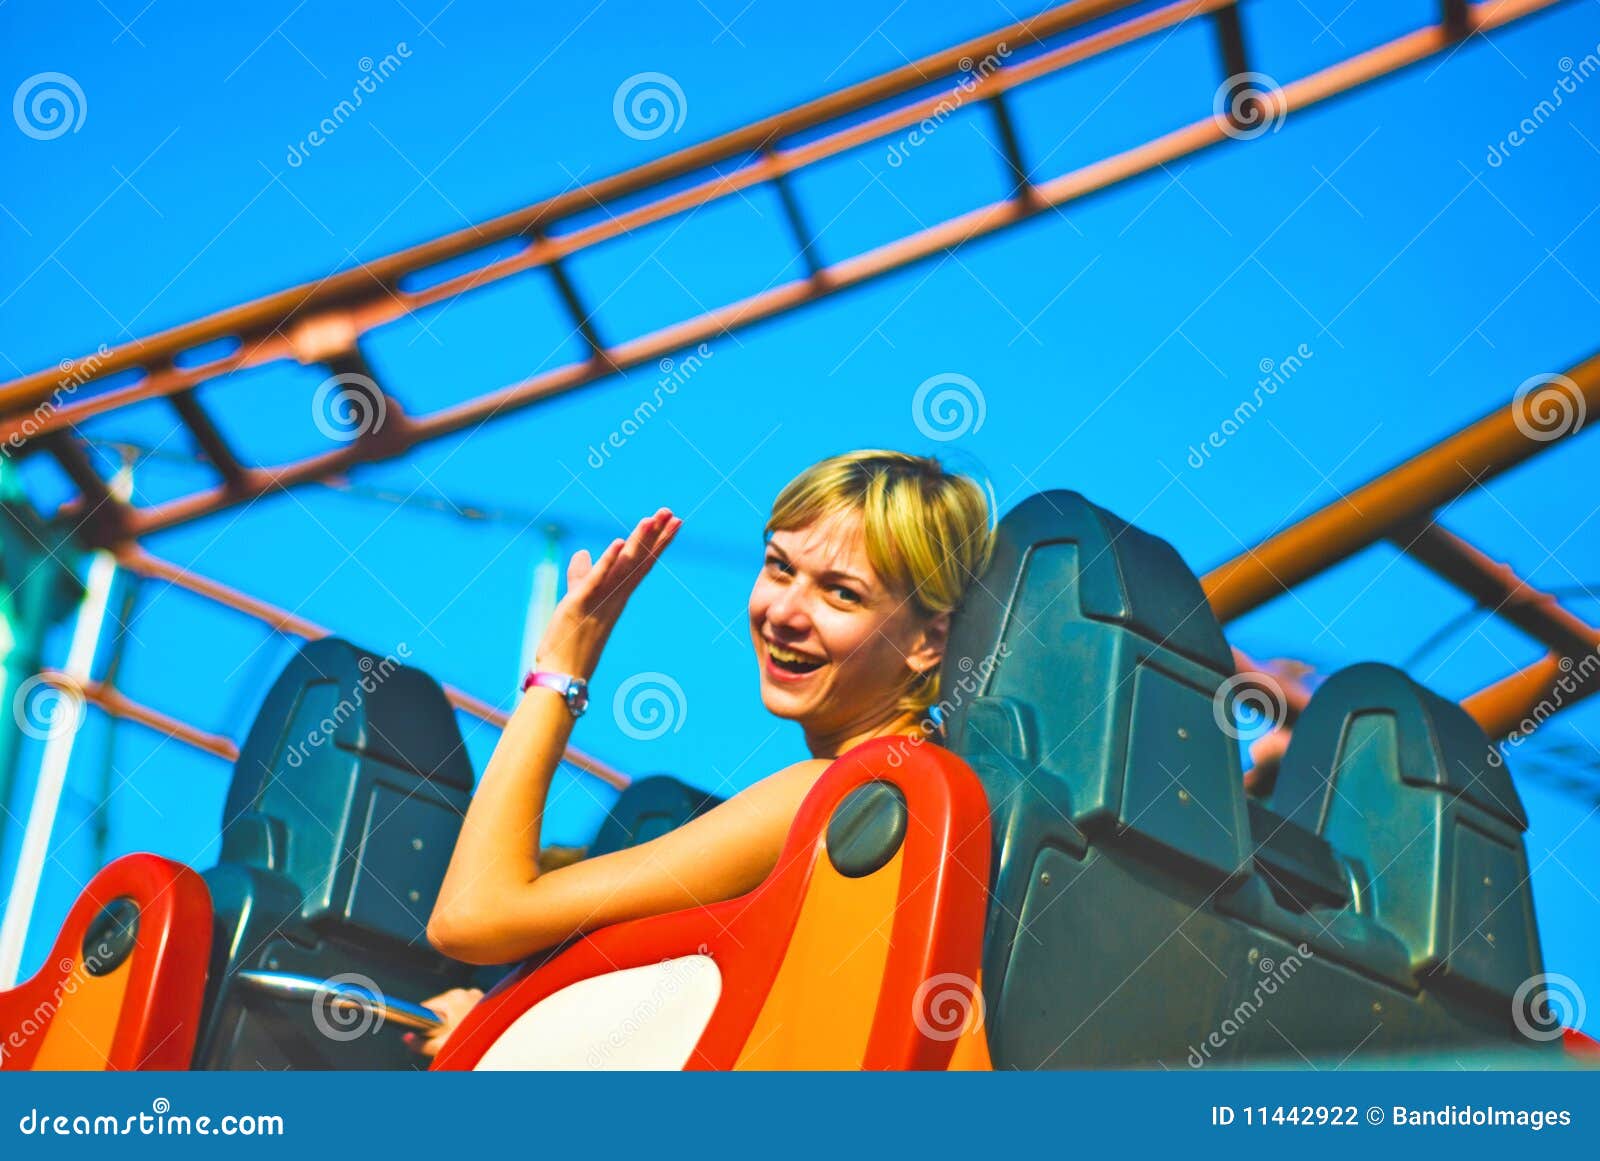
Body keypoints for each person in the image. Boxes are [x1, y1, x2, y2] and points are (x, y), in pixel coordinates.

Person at [409, 450, 994, 1058]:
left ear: (930, 640)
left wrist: (560, 670)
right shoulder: (925, 799)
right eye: (780, 567)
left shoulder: (831, 800)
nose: (784, 613)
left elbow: (470, 916)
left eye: (841, 594)